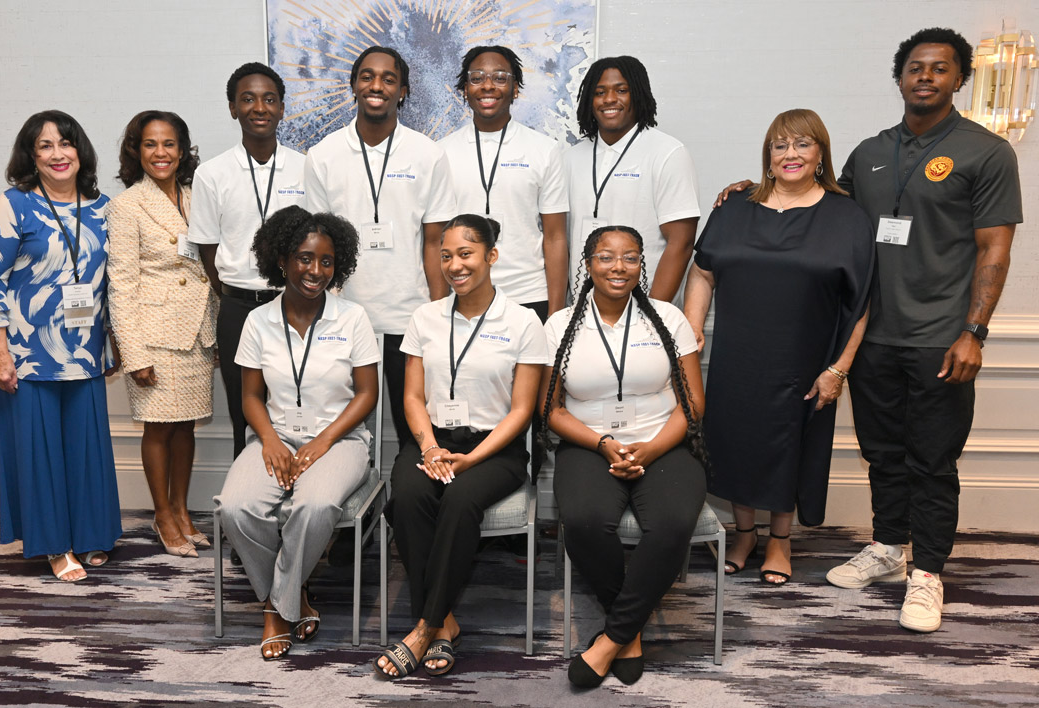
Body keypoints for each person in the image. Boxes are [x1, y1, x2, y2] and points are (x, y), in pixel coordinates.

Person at [718, 28, 1021, 632]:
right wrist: (747, 192)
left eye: (940, 69)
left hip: (941, 335)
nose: (926, 77)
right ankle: (887, 547)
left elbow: (995, 249)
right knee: (881, 454)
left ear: (960, 78)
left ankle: (927, 573)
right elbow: (818, 203)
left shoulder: (987, 153)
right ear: (900, 77)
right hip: (873, 337)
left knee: (932, 460)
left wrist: (975, 332)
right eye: (915, 68)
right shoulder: (870, 152)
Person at [684, 109, 875, 585]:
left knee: (791, 448)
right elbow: (703, 269)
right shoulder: (734, 206)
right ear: (768, 157)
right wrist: (691, 326)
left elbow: (863, 300)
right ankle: (745, 534)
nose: (791, 154)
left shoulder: (846, 215)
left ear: (820, 155)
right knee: (736, 443)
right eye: (780, 145)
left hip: (805, 360)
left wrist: (840, 369)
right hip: (737, 356)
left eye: (803, 144)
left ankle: (780, 543)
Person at [374, 214, 546, 679]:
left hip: (495, 449)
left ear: (491, 256)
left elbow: (521, 410)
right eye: (445, 255)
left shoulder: (523, 321)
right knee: (408, 496)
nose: (454, 265)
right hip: (433, 440)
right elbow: (411, 396)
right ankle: (445, 623)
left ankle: (423, 627)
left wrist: (473, 457)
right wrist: (429, 448)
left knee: (460, 499)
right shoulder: (424, 317)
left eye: (465, 254)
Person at [541, 225, 709, 687]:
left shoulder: (669, 318)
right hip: (589, 443)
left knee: (674, 523)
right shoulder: (559, 325)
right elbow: (549, 408)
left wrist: (651, 448)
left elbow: (692, 401)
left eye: (630, 257)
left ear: (641, 264)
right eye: (606, 257)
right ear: (588, 264)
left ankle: (611, 637)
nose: (619, 267)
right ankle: (629, 632)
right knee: (584, 521)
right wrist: (603, 444)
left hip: (664, 441)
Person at [214, 206, 380, 660]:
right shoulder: (258, 321)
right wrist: (269, 439)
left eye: (326, 261)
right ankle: (294, 595)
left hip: (340, 441)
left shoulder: (352, 319)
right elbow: (250, 396)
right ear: (282, 260)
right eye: (305, 258)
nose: (315, 271)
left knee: (316, 503)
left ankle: (275, 608)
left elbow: (367, 394)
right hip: (275, 434)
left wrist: (323, 441)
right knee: (236, 506)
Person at [0, 110, 121, 582]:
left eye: (66, 143)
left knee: (87, 450)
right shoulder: (13, 205)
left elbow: (115, 284)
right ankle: (55, 546)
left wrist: (116, 344)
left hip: (86, 351)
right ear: (31, 156)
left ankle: (92, 535)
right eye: (44, 146)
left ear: (81, 151)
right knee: (39, 452)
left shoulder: (104, 207)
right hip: (29, 354)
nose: (58, 154)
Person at [304, 46, 457, 451]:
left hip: (409, 317)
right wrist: (326, 305)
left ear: (403, 90)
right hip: (341, 317)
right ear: (353, 85)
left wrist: (435, 313)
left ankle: (412, 507)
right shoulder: (323, 156)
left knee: (416, 430)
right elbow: (318, 244)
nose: (377, 85)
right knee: (338, 427)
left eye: (389, 78)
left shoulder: (428, 154)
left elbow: (435, 239)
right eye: (367, 76)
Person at [107, 110, 217, 558]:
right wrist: (134, 353)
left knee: (186, 425)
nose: (160, 153)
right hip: (153, 334)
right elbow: (122, 283)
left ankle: (181, 507)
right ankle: (162, 514)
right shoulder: (127, 205)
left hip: (197, 331)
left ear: (182, 149)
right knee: (158, 428)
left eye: (169, 144)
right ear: (137, 151)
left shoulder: (198, 195)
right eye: (150, 144)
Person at [189, 62, 307, 458]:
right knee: (246, 410)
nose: (260, 107)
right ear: (232, 108)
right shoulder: (212, 173)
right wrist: (232, 290)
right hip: (238, 307)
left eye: (270, 99)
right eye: (248, 99)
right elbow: (207, 246)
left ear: (282, 108)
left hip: (296, 304)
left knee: (295, 403)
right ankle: (249, 506)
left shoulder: (307, 168)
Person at [439, 45, 568, 322]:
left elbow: (556, 236)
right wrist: (438, 306)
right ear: (465, 89)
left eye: (499, 77)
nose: (488, 86)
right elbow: (433, 239)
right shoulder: (440, 153)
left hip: (529, 296)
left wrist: (556, 314)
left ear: (515, 89)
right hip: (461, 295)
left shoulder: (544, 150)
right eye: (477, 78)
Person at [564, 56, 700, 304]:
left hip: (644, 308)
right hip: (582, 311)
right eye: (599, 92)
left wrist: (653, 312)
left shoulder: (668, 153)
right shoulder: (569, 158)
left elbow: (681, 242)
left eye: (622, 90)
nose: (609, 100)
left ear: (638, 95)